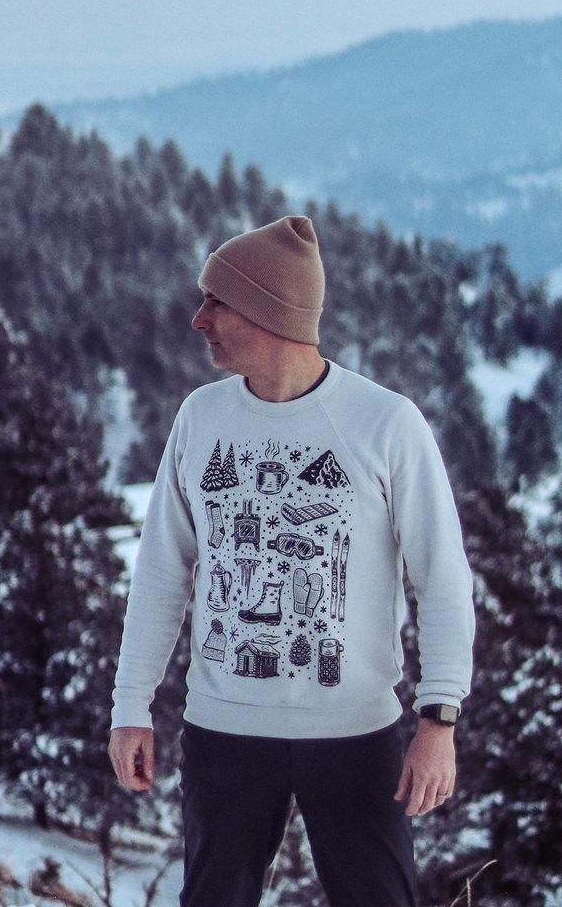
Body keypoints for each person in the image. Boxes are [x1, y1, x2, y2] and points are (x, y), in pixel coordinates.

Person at [108, 214, 476, 907]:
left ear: (265, 310)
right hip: (223, 730)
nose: (198, 320)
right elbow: (161, 572)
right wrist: (132, 705)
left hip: (356, 734)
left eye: (215, 302)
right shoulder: (200, 418)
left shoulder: (386, 423)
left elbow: (442, 577)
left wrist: (439, 719)